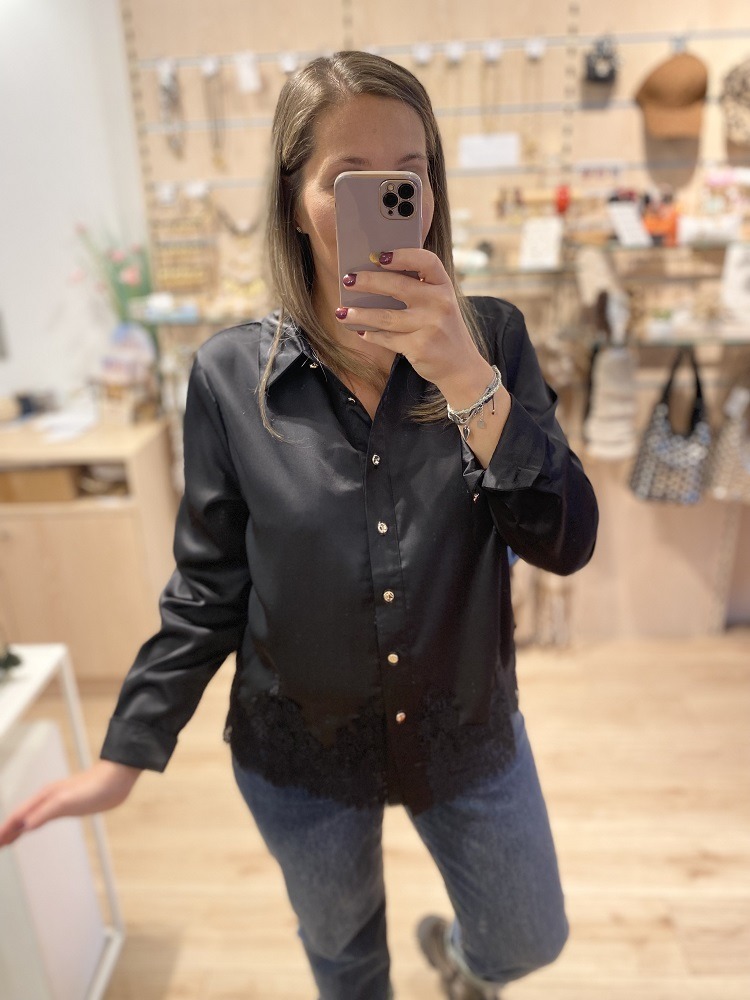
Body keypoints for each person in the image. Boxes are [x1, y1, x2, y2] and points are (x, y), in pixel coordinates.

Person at [0, 51, 598, 1000]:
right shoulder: (230, 378)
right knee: (345, 960)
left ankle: (459, 966)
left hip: (462, 722)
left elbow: (563, 541)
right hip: (303, 748)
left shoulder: (493, 342)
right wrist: (124, 755)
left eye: (409, 176)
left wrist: (466, 381)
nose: (388, 199)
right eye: (350, 180)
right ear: (294, 201)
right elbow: (208, 589)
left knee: (527, 939)